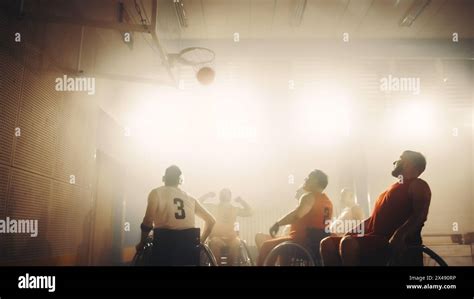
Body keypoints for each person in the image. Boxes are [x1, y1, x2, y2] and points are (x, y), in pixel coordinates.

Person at [320, 151, 431, 266]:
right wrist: (351, 232)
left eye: (400, 158)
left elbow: (420, 215)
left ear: (409, 163)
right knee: (328, 244)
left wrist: (399, 235)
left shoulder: (418, 184)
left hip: (391, 240)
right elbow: (373, 218)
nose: (395, 162)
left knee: (348, 243)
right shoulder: (392, 188)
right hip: (374, 238)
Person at [136, 165, 216, 265]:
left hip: (163, 251)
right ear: (180, 180)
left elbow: (148, 221)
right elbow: (211, 221)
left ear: (164, 178)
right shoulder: (190, 198)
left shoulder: (156, 193)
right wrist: (201, 242)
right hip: (188, 253)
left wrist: (141, 243)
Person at [257, 169, 333, 266]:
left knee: (266, 246)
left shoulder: (309, 197)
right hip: (317, 244)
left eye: (309, 177)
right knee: (284, 247)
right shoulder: (328, 202)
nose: (305, 179)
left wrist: (277, 224)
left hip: (303, 242)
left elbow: (297, 215)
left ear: (316, 181)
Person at [200, 188, 253, 265]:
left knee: (236, 244)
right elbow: (197, 203)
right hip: (216, 237)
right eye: (223, 193)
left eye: (226, 193)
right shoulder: (213, 207)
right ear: (220, 196)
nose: (224, 194)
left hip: (232, 238)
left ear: (230, 196)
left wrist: (242, 201)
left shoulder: (235, 209)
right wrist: (207, 195)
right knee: (215, 242)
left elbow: (250, 212)